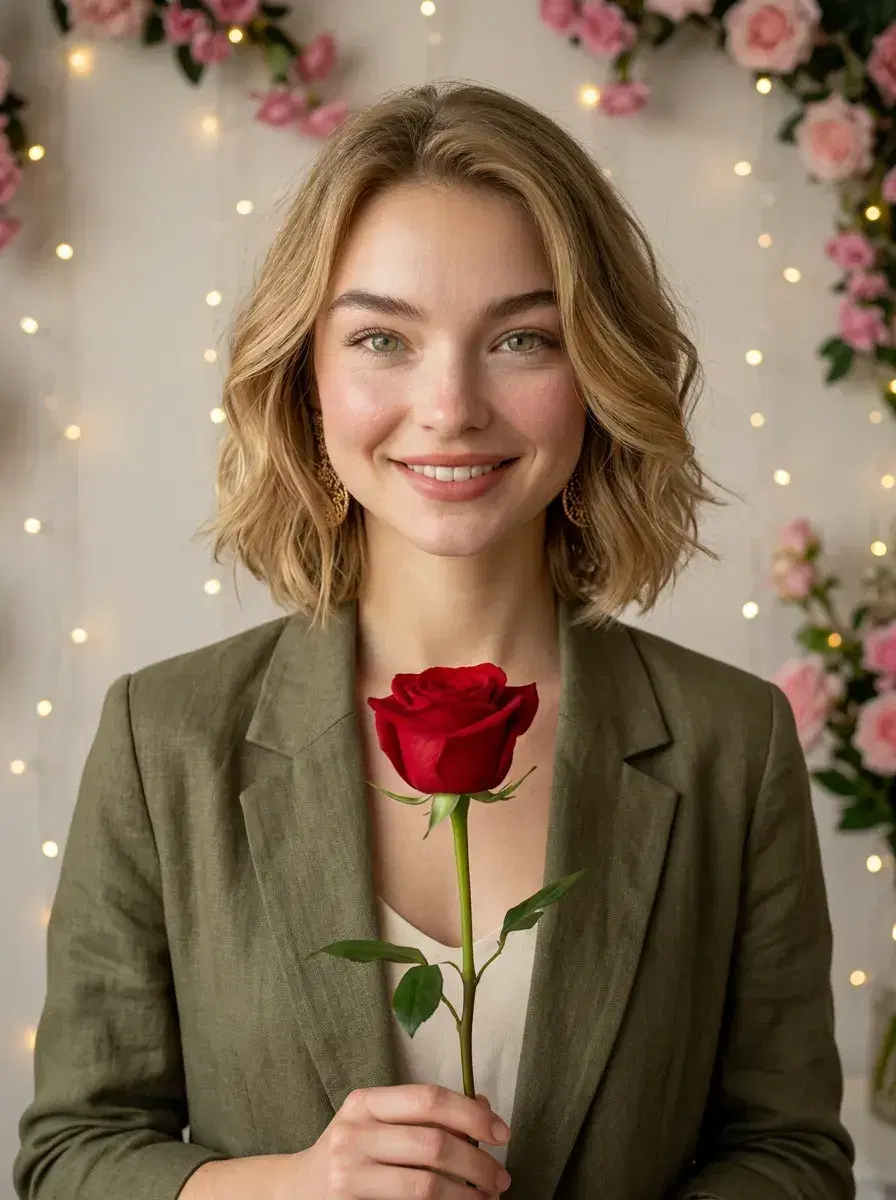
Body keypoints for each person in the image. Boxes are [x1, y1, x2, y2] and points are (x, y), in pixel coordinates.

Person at [14, 80, 855, 1200]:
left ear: (597, 373)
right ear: (306, 379)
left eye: (519, 337)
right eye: (381, 338)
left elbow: (790, 1155)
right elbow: (71, 1154)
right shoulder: (159, 738)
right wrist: (294, 1188)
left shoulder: (729, 741)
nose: (449, 405)